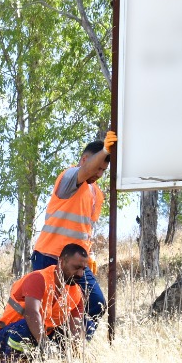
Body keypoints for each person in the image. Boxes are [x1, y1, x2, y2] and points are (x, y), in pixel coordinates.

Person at [30, 132, 115, 337]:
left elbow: (85, 229)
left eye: (104, 170)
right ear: (85, 160)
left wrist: (89, 255)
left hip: (77, 262)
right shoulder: (68, 177)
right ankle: (46, 354)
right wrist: (105, 149)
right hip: (49, 257)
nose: (100, 174)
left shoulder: (97, 194)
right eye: (98, 167)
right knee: (48, 311)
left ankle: (73, 348)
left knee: (96, 303)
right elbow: (85, 171)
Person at [0, 242, 90, 363]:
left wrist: (78, 357)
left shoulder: (76, 292)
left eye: (83, 269)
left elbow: (76, 329)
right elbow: (32, 315)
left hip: (40, 338)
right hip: (4, 338)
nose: (80, 274)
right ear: (61, 261)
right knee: (27, 328)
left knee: (84, 325)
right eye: (76, 267)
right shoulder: (38, 279)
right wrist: (46, 350)